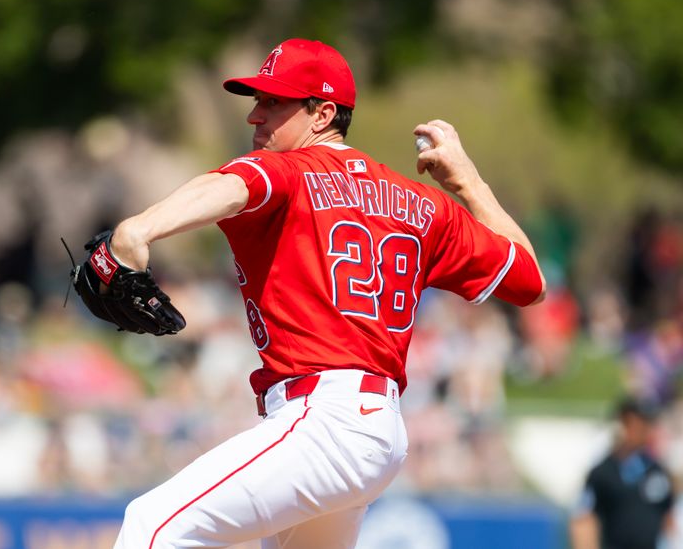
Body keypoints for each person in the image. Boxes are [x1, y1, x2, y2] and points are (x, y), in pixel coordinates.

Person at [109, 38, 546, 549]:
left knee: (151, 526)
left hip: (325, 421)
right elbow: (530, 280)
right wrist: (469, 183)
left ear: (324, 114)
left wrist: (138, 230)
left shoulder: (288, 171)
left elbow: (231, 188)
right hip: (374, 431)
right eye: (257, 100)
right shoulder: (424, 204)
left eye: (275, 102)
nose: (255, 115)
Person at [570, 397, 676, 549]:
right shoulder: (603, 472)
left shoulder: (656, 471)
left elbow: (668, 518)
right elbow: (584, 520)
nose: (643, 430)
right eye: (637, 423)